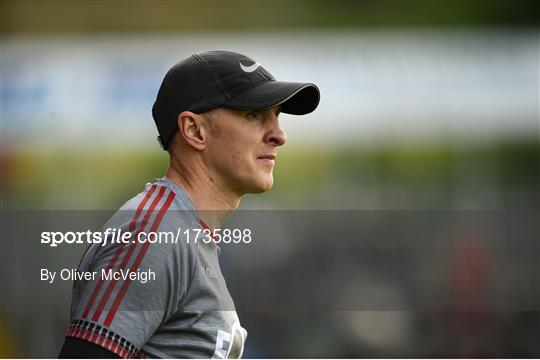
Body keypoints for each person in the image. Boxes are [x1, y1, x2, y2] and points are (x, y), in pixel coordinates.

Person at [58, 50, 320, 358]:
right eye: (254, 115)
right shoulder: (154, 234)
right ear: (195, 130)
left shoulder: (182, 232)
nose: (279, 135)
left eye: (276, 116)